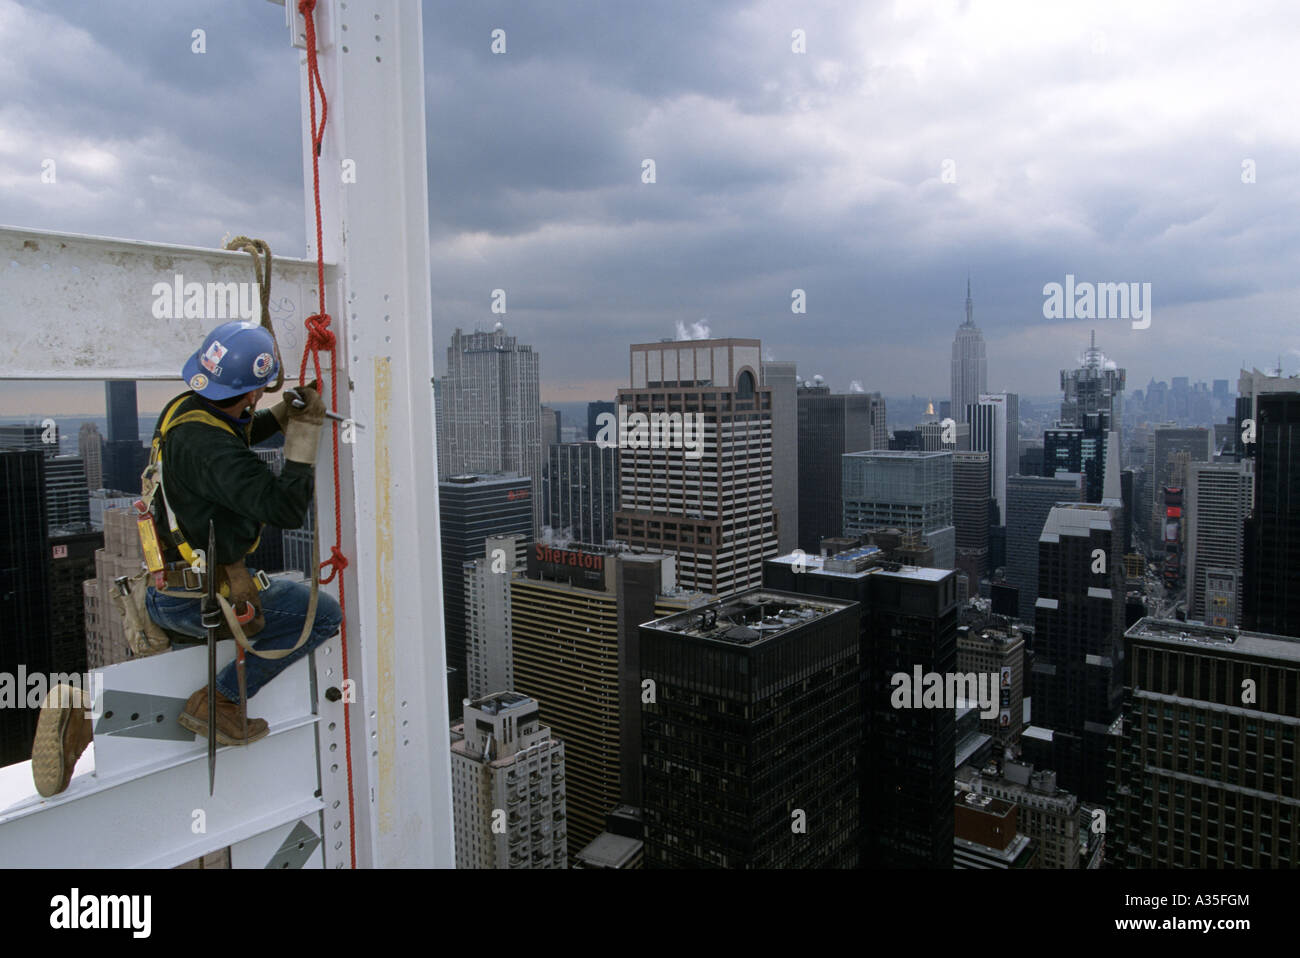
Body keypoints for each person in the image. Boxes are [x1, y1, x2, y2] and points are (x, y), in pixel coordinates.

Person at [143, 320, 342, 745]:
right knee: (323, 615)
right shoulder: (214, 450)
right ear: (252, 391)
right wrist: (305, 434)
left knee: (175, 690)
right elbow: (285, 508)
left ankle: (92, 715)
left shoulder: (186, 410)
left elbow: (238, 430)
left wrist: (285, 412)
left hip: (167, 589)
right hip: (198, 601)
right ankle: (221, 701)